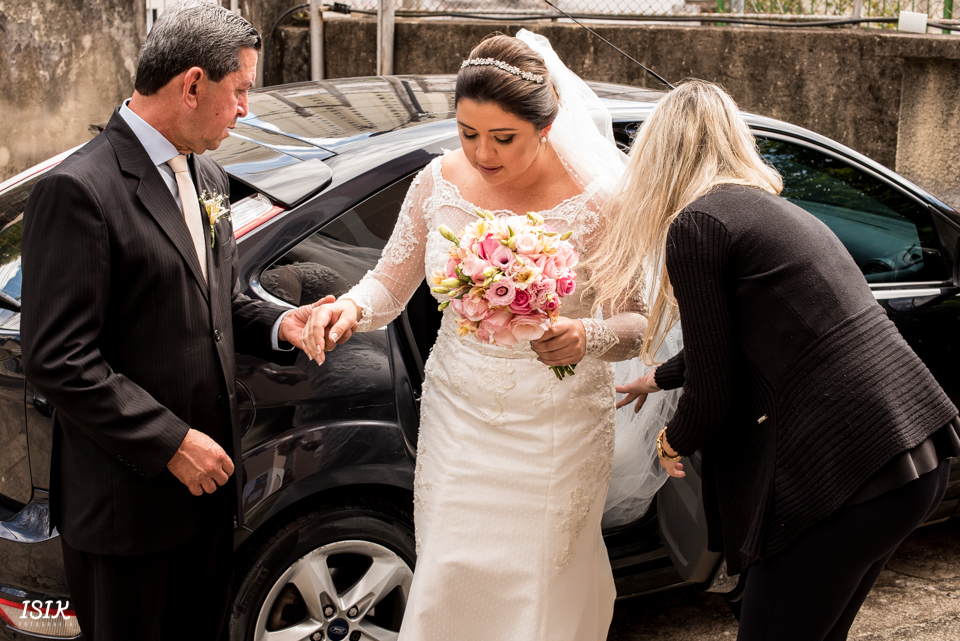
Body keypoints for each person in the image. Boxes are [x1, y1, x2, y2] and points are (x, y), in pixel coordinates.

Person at [301, 30, 650, 641]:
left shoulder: (600, 204)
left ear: (546, 126)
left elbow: (638, 323)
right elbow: (388, 282)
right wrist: (349, 310)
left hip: (557, 425)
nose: (482, 152)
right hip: (459, 414)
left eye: (503, 137)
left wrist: (586, 335)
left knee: (538, 585)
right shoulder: (437, 182)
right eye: (468, 132)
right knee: (451, 572)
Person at [604, 80, 960, 640]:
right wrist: (662, 375)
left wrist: (671, 440)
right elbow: (748, 339)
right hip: (916, 457)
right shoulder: (767, 212)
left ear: (657, 155)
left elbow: (714, 394)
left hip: (850, 478)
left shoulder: (698, 226)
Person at [20, 2, 324, 639]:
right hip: (127, 511)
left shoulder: (205, 172)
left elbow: (210, 302)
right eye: (240, 90)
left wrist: (279, 324)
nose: (246, 109)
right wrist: (171, 444)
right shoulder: (80, 189)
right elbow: (58, 358)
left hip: (206, 504)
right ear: (192, 85)